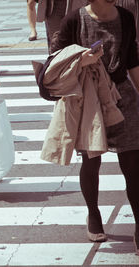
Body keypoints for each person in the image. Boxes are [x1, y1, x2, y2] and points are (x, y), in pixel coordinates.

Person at [53, 0, 139, 255]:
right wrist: (82, 60)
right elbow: (57, 59)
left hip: (123, 97)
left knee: (133, 164)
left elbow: (132, 59)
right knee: (91, 161)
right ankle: (93, 213)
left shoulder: (125, 16)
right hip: (89, 97)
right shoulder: (74, 20)